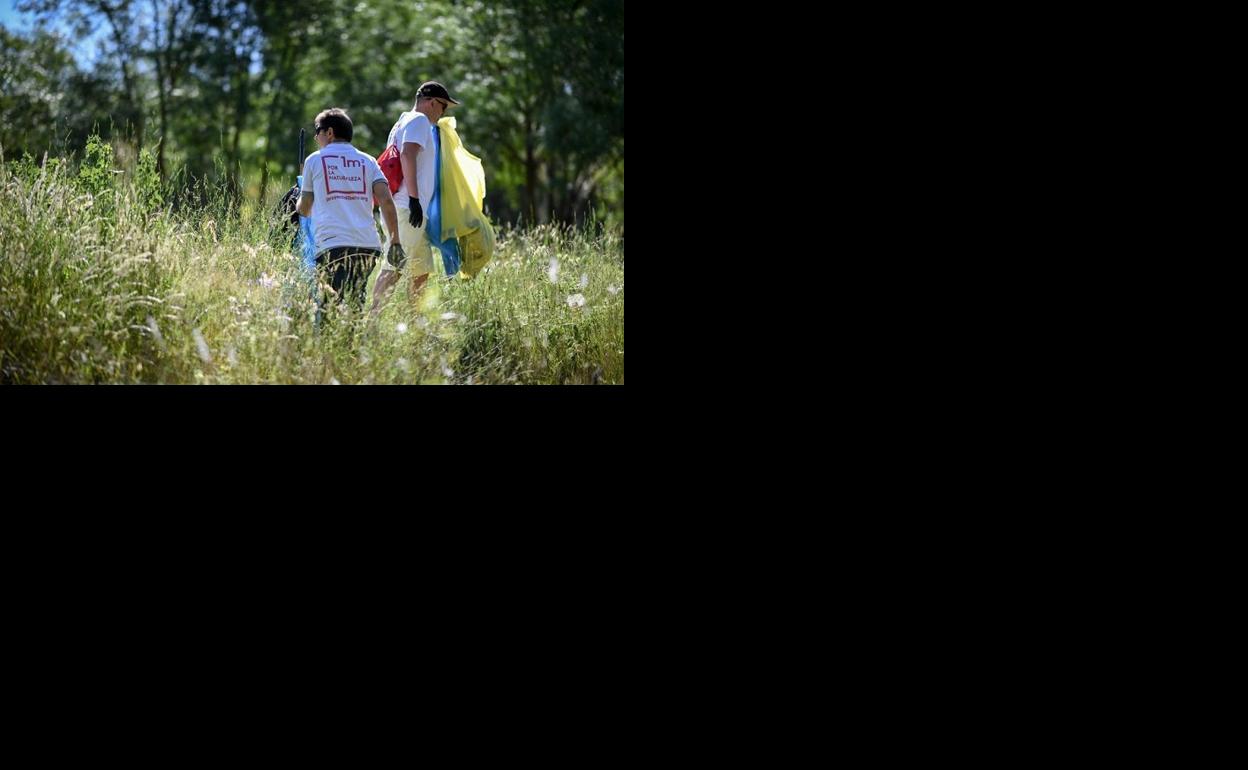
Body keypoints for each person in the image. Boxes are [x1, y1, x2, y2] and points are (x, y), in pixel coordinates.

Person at [297, 108, 403, 313]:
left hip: (332, 245)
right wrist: (395, 241)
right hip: (367, 245)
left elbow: (305, 207)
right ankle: (352, 343)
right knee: (355, 304)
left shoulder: (314, 160)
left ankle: (331, 345)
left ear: (329, 132)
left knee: (329, 307)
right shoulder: (368, 161)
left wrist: (297, 200)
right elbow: (386, 201)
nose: (315, 137)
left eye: (317, 131)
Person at [370, 81, 461, 315]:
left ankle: (415, 326)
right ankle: (370, 321)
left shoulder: (403, 121)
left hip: (406, 209)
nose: (443, 113)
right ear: (432, 102)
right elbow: (408, 154)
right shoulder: (419, 121)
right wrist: (413, 199)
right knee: (396, 265)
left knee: (421, 270)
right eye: (443, 107)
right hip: (406, 208)